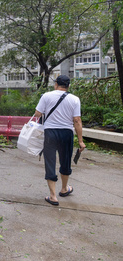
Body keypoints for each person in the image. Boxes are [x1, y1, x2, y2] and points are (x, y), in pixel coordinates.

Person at [33, 75, 86, 206]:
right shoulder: (75, 99)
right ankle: (64, 189)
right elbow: (77, 120)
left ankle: (52, 196)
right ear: (68, 86)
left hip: (50, 133)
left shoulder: (46, 96)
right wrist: (80, 141)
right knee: (65, 160)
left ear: (56, 84)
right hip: (67, 133)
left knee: (50, 162)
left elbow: (37, 114)